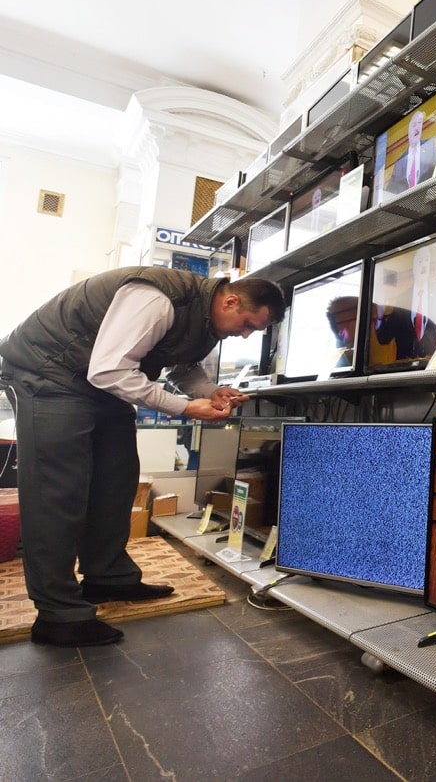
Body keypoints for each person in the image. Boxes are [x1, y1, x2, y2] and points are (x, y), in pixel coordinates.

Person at [0, 268, 285, 648]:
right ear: (230, 300)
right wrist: (184, 408)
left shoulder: (205, 320)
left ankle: (108, 578)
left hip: (95, 381)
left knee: (116, 479)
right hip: (49, 373)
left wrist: (212, 392)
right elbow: (110, 369)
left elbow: (185, 369)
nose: (246, 334)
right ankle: (58, 615)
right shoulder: (157, 299)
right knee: (57, 493)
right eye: (247, 324)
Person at [385, 111, 436, 194]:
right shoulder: (399, 162)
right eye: (414, 125)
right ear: (408, 132)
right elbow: (390, 192)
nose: (417, 127)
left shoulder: (429, 145)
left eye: (420, 123)